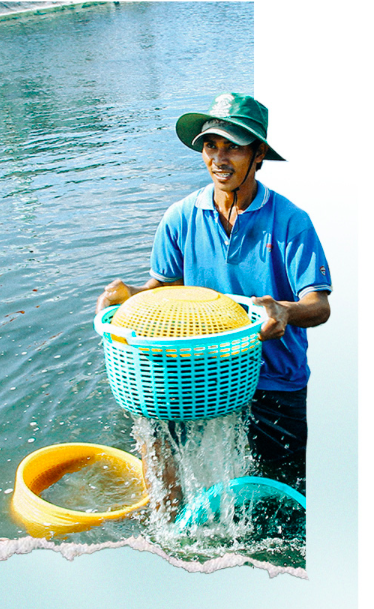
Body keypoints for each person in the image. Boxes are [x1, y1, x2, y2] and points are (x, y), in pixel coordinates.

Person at [96, 93, 331, 502]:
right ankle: (170, 536)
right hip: (202, 372)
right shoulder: (181, 216)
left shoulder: (291, 221)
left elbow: (319, 305)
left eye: (234, 146)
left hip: (273, 377)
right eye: (211, 145)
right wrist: (127, 296)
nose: (219, 159)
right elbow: (162, 291)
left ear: (258, 154)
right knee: (152, 427)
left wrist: (284, 311)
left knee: (286, 490)